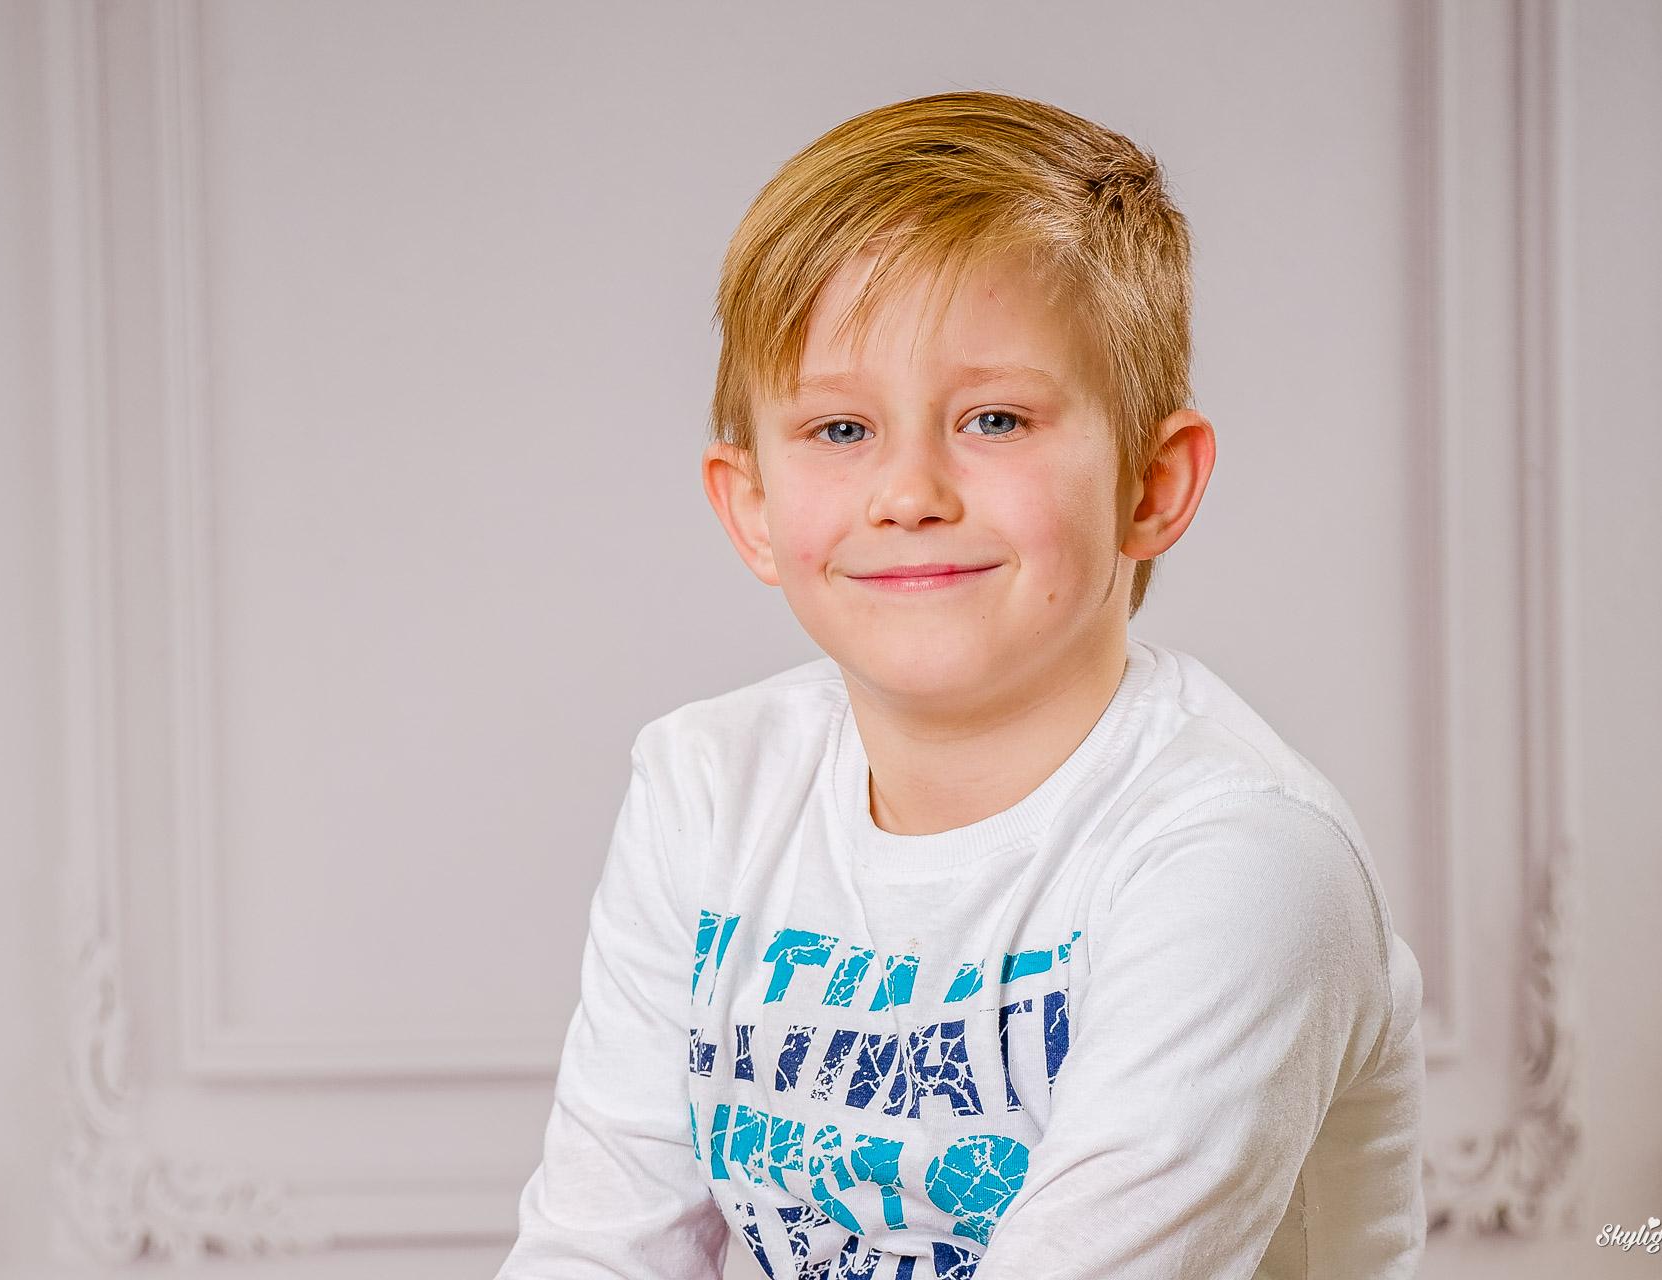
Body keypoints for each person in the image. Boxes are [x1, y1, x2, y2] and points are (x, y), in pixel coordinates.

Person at [494, 89, 1426, 1280]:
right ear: (753, 506)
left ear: (1151, 484)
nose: (910, 493)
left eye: (994, 418)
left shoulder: (1241, 860)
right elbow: (594, 1249)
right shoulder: (708, 788)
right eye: (841, 430)